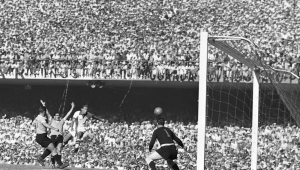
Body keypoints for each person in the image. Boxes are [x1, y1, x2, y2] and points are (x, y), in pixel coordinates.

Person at [33, 102, 69, 169]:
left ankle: (41, 158)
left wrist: (44, 105)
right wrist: (54, 128)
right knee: (53, 150)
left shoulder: (37, 117)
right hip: (42, 137)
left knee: (51, 148)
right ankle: (60, 164)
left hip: (40, 136)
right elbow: (46, 124)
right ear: (43, 112)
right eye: (44, 112)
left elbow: (33, 124)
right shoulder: (41, 118)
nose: (45, 114)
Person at [43, 100, 75, 168]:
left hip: (60, 136)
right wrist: (44, 106)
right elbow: (47, 113)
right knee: (53, 150)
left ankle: (59, 164)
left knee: (59, 150)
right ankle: (53, 164)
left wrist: (72, 107)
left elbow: (68, 114)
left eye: (58, 115)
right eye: (56, 115)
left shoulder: (61, 121)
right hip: (53, 136)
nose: (58, 116)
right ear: (54, 116)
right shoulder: (51, 120)